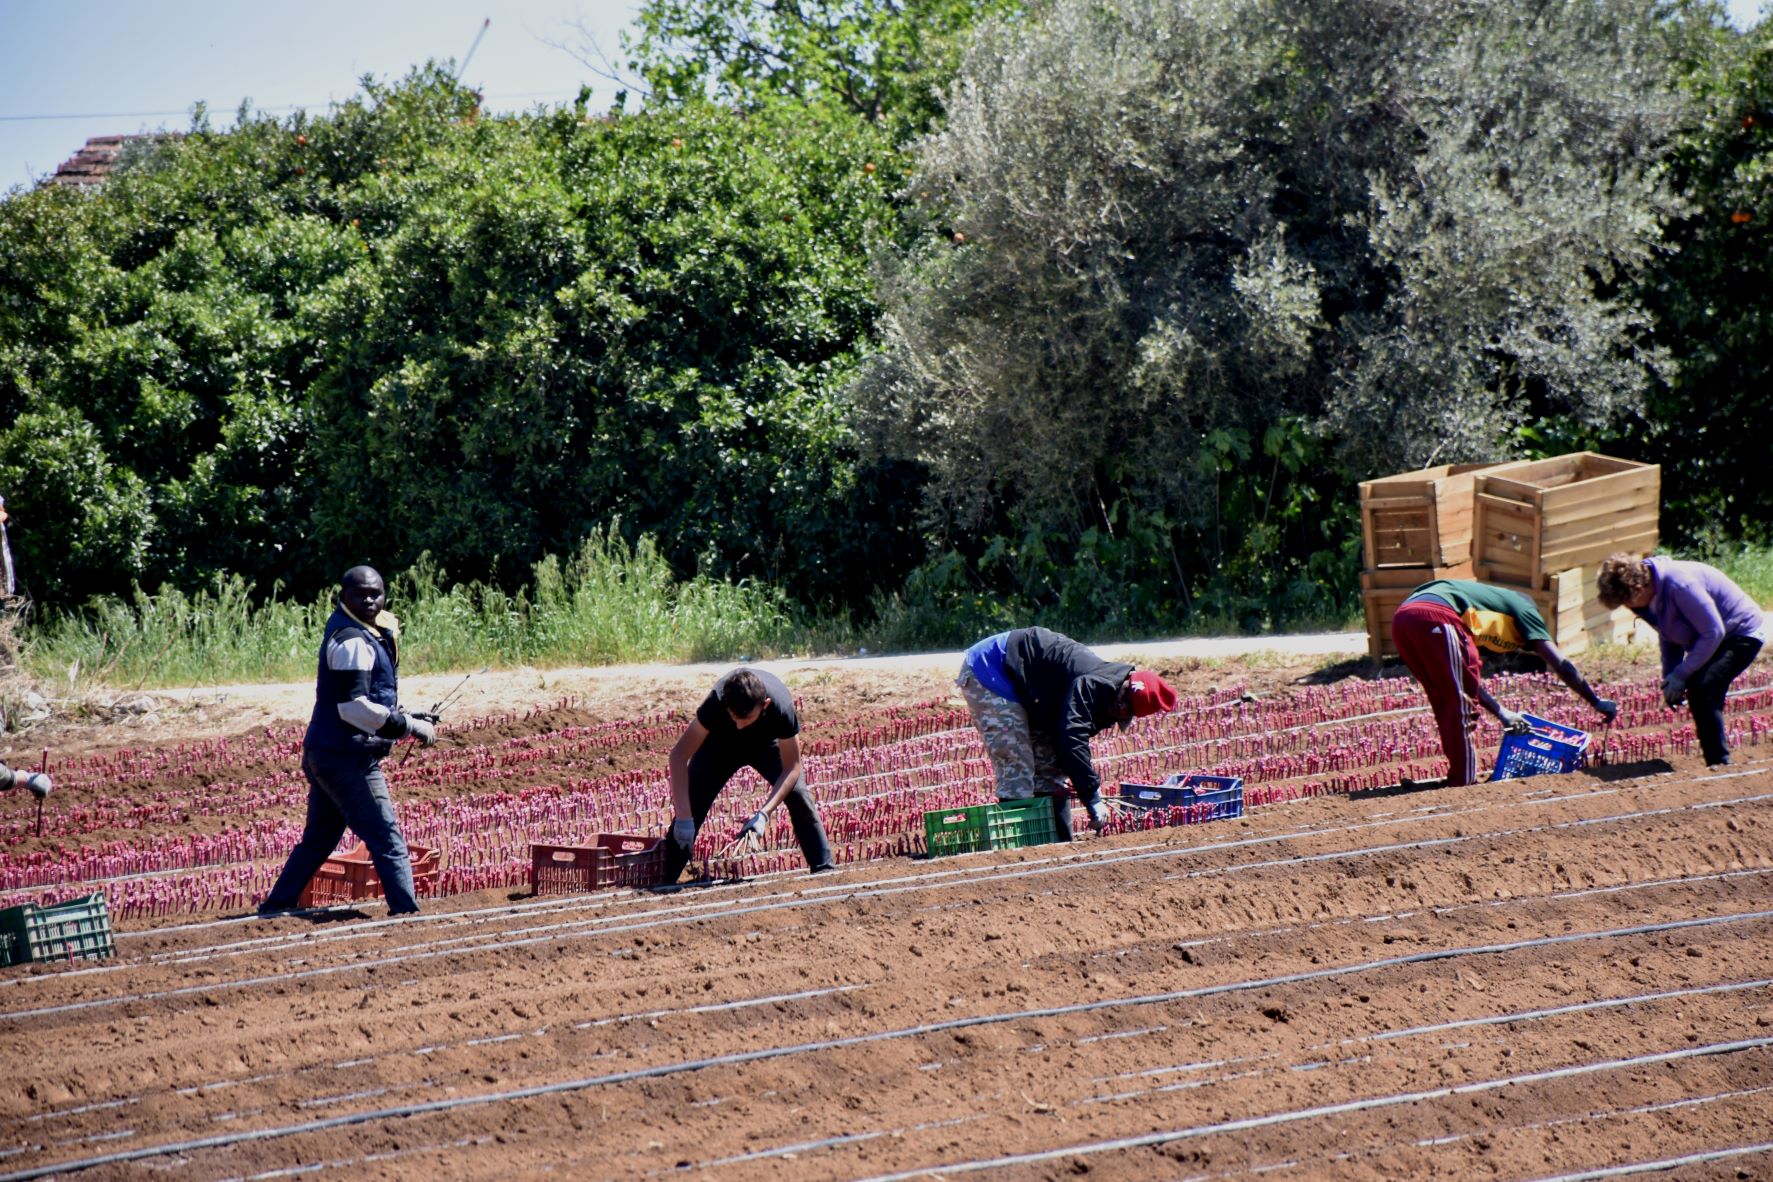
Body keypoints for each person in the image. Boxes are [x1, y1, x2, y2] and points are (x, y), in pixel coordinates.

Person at [259, 566, 436, 915]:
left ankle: (276, 906)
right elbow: (353, 709)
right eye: (360, 593)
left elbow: (367, 699)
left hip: (326, 752)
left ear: (385, 595)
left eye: (376, 593)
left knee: (319, 839)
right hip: (346, 757)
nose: (369, 599)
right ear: (344, 595)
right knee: (386, 837)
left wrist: (406, 713)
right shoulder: (353, 640)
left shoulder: (363, 632)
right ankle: (407, 913)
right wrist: (408, 726)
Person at [1392, 578, 1618, 786]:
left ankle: (1457, 778)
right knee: (1460, 706)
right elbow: (1561, 665)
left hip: (1402, 621)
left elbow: (1466, 682)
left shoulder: (1481, 606)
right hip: (1435, 616)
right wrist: (1595, 700)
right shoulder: (1526, 611)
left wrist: (1502, 712)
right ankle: (1463, 785)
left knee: (1446, 698)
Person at [957, 627, 1178, 838]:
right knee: (1017, 764)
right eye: (1124, 702)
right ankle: (1015, 851)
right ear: (1127, 685)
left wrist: (1084, 786)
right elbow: (1072, 737)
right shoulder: (1095, 684)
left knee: (1051, 769)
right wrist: (1092, 795)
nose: (1120, 710)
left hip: (1031, 688)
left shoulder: (1112, 699)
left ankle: (1059, 846)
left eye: (1127, 712)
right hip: (993, 670)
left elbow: (1063, 744)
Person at [661, 667, 835, 883]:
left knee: (798, 794)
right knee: (693, 802)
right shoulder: (716, 702)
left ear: (766, 705)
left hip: (765, 745)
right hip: (720, 744)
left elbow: (793, 767)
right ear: (727, 705)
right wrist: (684, 817)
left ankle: (824, 869)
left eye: (746, 718)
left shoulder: (781, 707)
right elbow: (678, 755)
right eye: (734, 716)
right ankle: (665, 878)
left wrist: (764, 814)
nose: (739, 725)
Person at [1596, 553, 1765, 767]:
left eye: (1627, 601)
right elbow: (1669, 637)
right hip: (1713, 636)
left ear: (1638, 588)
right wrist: (1670, 677)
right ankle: (1717, 758)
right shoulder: (1651, 599)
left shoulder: (1680, 585)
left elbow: (1713, 631)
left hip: (1740, 632)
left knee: (1703, 688)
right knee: (1702, 691)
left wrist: (1682, 674)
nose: (1628, 607)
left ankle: (1719, 763)